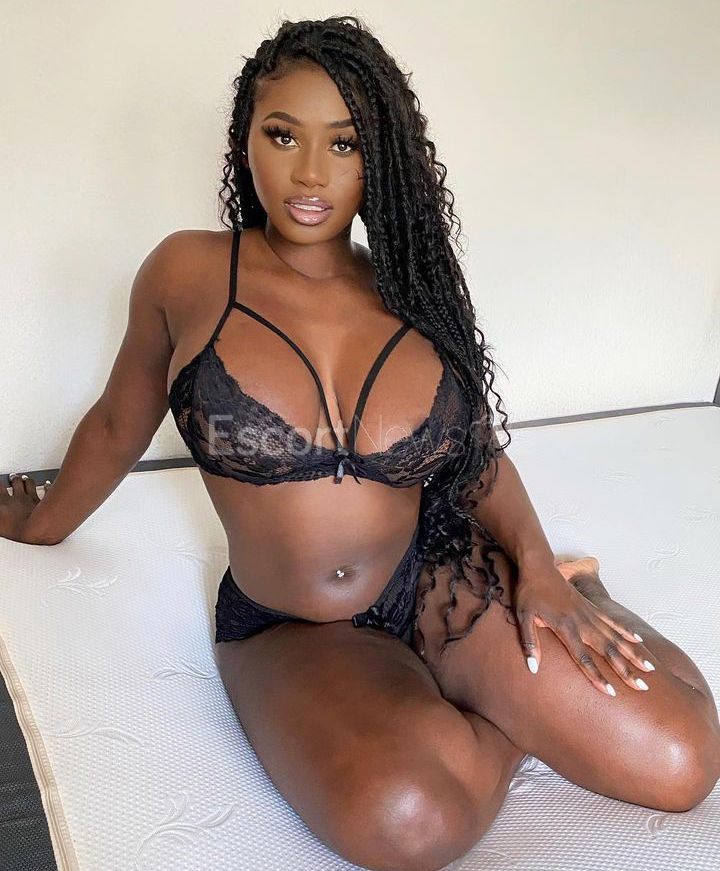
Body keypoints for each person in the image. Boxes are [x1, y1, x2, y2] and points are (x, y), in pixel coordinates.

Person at [2, 15, 718, 871]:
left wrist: (532, 567)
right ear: (244, 141)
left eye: (344, 144)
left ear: (378, 158)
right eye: (283, 136)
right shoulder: (186, 274)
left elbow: (473, 453)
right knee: (409, 822)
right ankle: (505, 713)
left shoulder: (410, 286)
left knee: (682, 760)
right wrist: (40, 522)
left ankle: (574, 586)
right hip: (293, 625)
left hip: (436, 577)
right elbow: (119, 423)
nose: (310, 173)